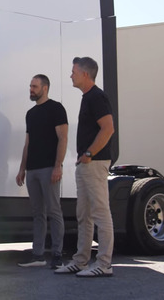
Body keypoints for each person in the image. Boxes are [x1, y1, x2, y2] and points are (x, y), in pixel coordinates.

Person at [55, 56, 115, 278]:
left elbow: (108, 129)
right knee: (84, 215)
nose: (71, 75)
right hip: (86, 163)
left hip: (95, 163)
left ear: (85, 74)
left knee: (100, 213)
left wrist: (89, 154)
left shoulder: (97, 97)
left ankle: (104, 264)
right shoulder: (87, 97)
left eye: (74, 72)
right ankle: (81, 261)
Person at [16, 74, 68, 269]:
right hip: (32, 170)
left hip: (49, 168)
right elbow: (27, 144)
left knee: (54, 211)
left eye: (34, 86)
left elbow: (63, 138)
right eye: (30, 86)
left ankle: (57, 254)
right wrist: (22, 169)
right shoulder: (30, 113)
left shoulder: (56, 108)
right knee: (38, 213)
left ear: (45, 88)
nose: (31, 90)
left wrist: (58, 166)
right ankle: (37, 255)